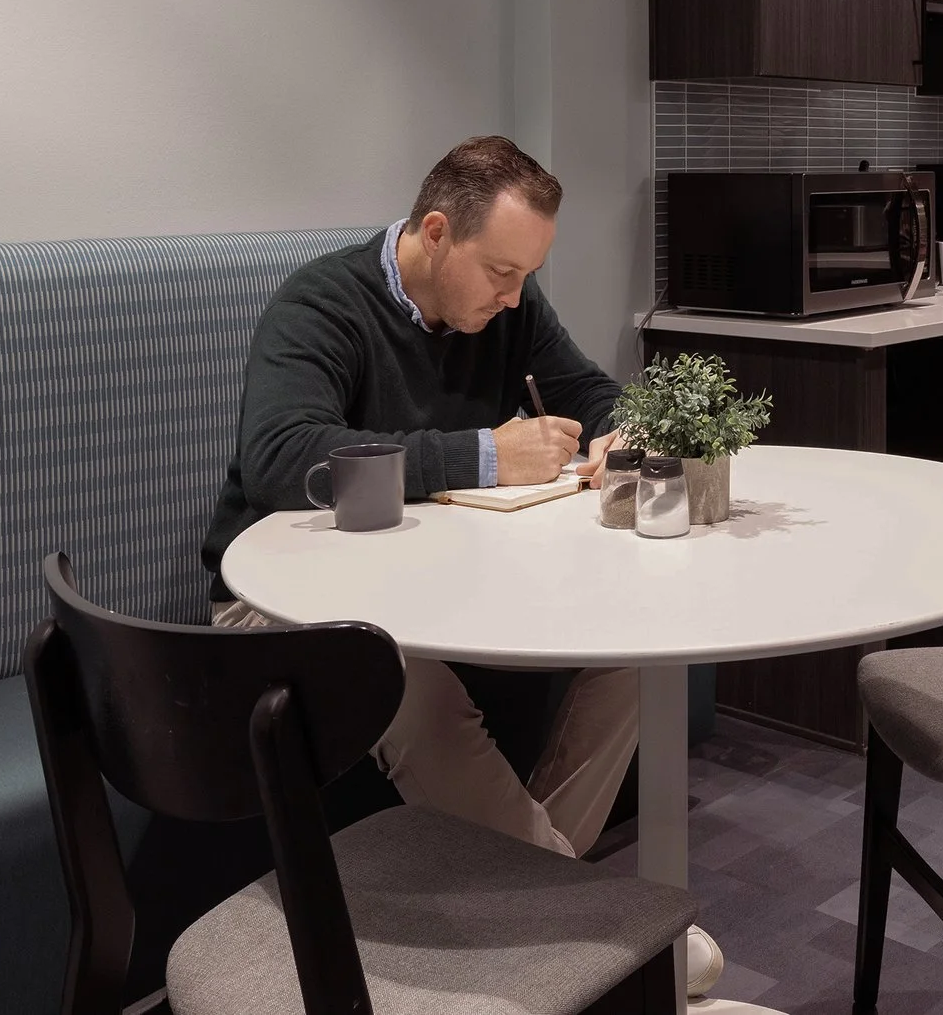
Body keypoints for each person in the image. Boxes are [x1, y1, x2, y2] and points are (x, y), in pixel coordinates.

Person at [200, 135, 638, 855]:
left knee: (637, 641)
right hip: (278, 600)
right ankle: (582, 911)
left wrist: (622, 430)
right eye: (502, 270)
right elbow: (281, 457)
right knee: (403, 678)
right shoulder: (322, 303)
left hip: (429, 578)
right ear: (436, 233)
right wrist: (487, 454)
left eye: (526, 273)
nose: (515, 294)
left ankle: (549, 890)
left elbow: (588, 389)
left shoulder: (508, 309)